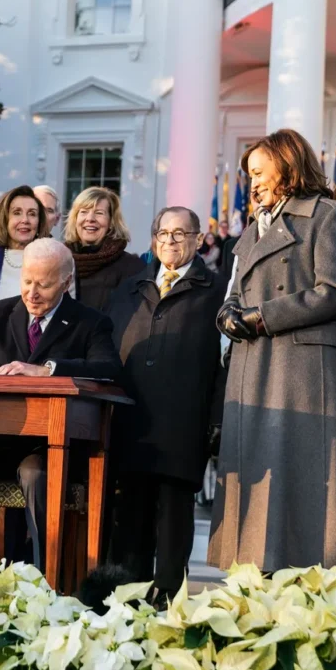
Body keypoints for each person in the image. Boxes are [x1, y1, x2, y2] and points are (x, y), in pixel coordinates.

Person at [0, 238, 122, 568]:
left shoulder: (90, 322)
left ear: (66, 282)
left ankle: (43, 579)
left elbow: (109, 370)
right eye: (27, 281)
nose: (32, 293)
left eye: (44, 285)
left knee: (34, 473)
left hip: (54, 447)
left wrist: (47, 370)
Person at [210, 128, 336, 572]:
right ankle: (253, 579)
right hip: (252, 365)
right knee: (255, 482)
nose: (251, 182)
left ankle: (303, 583)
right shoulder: (255, 227)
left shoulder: (327, 214)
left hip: (299, 367)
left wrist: (259, 317)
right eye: (248, 173)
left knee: (298, 481)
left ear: (286, 164)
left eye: (258, 171)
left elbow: (332, 293)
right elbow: (235, 290)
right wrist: (229, 314)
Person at [107, 206, 225, 603]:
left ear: (197, 239)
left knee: (174, 516)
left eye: (180, 234)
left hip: (183, 419)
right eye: (163, 233)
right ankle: (127, 597)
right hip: (133, 417)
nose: (170, 241)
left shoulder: (217, 291)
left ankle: (168, 599)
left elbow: (224, 363)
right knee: (132, 515)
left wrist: (215, 419)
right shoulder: (130, 288)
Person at [64, 187, 144, 312]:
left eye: (99, 213)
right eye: (83, 212)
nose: (90, 218)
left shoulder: (131, 267)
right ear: (75, 219)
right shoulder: (59, 262)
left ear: (111, 221)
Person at [0, 185, 49, 300]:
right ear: (4, 219)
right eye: (17, 213)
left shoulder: (51, 261)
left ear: (39, 223)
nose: (25, 220)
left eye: (32, 214)